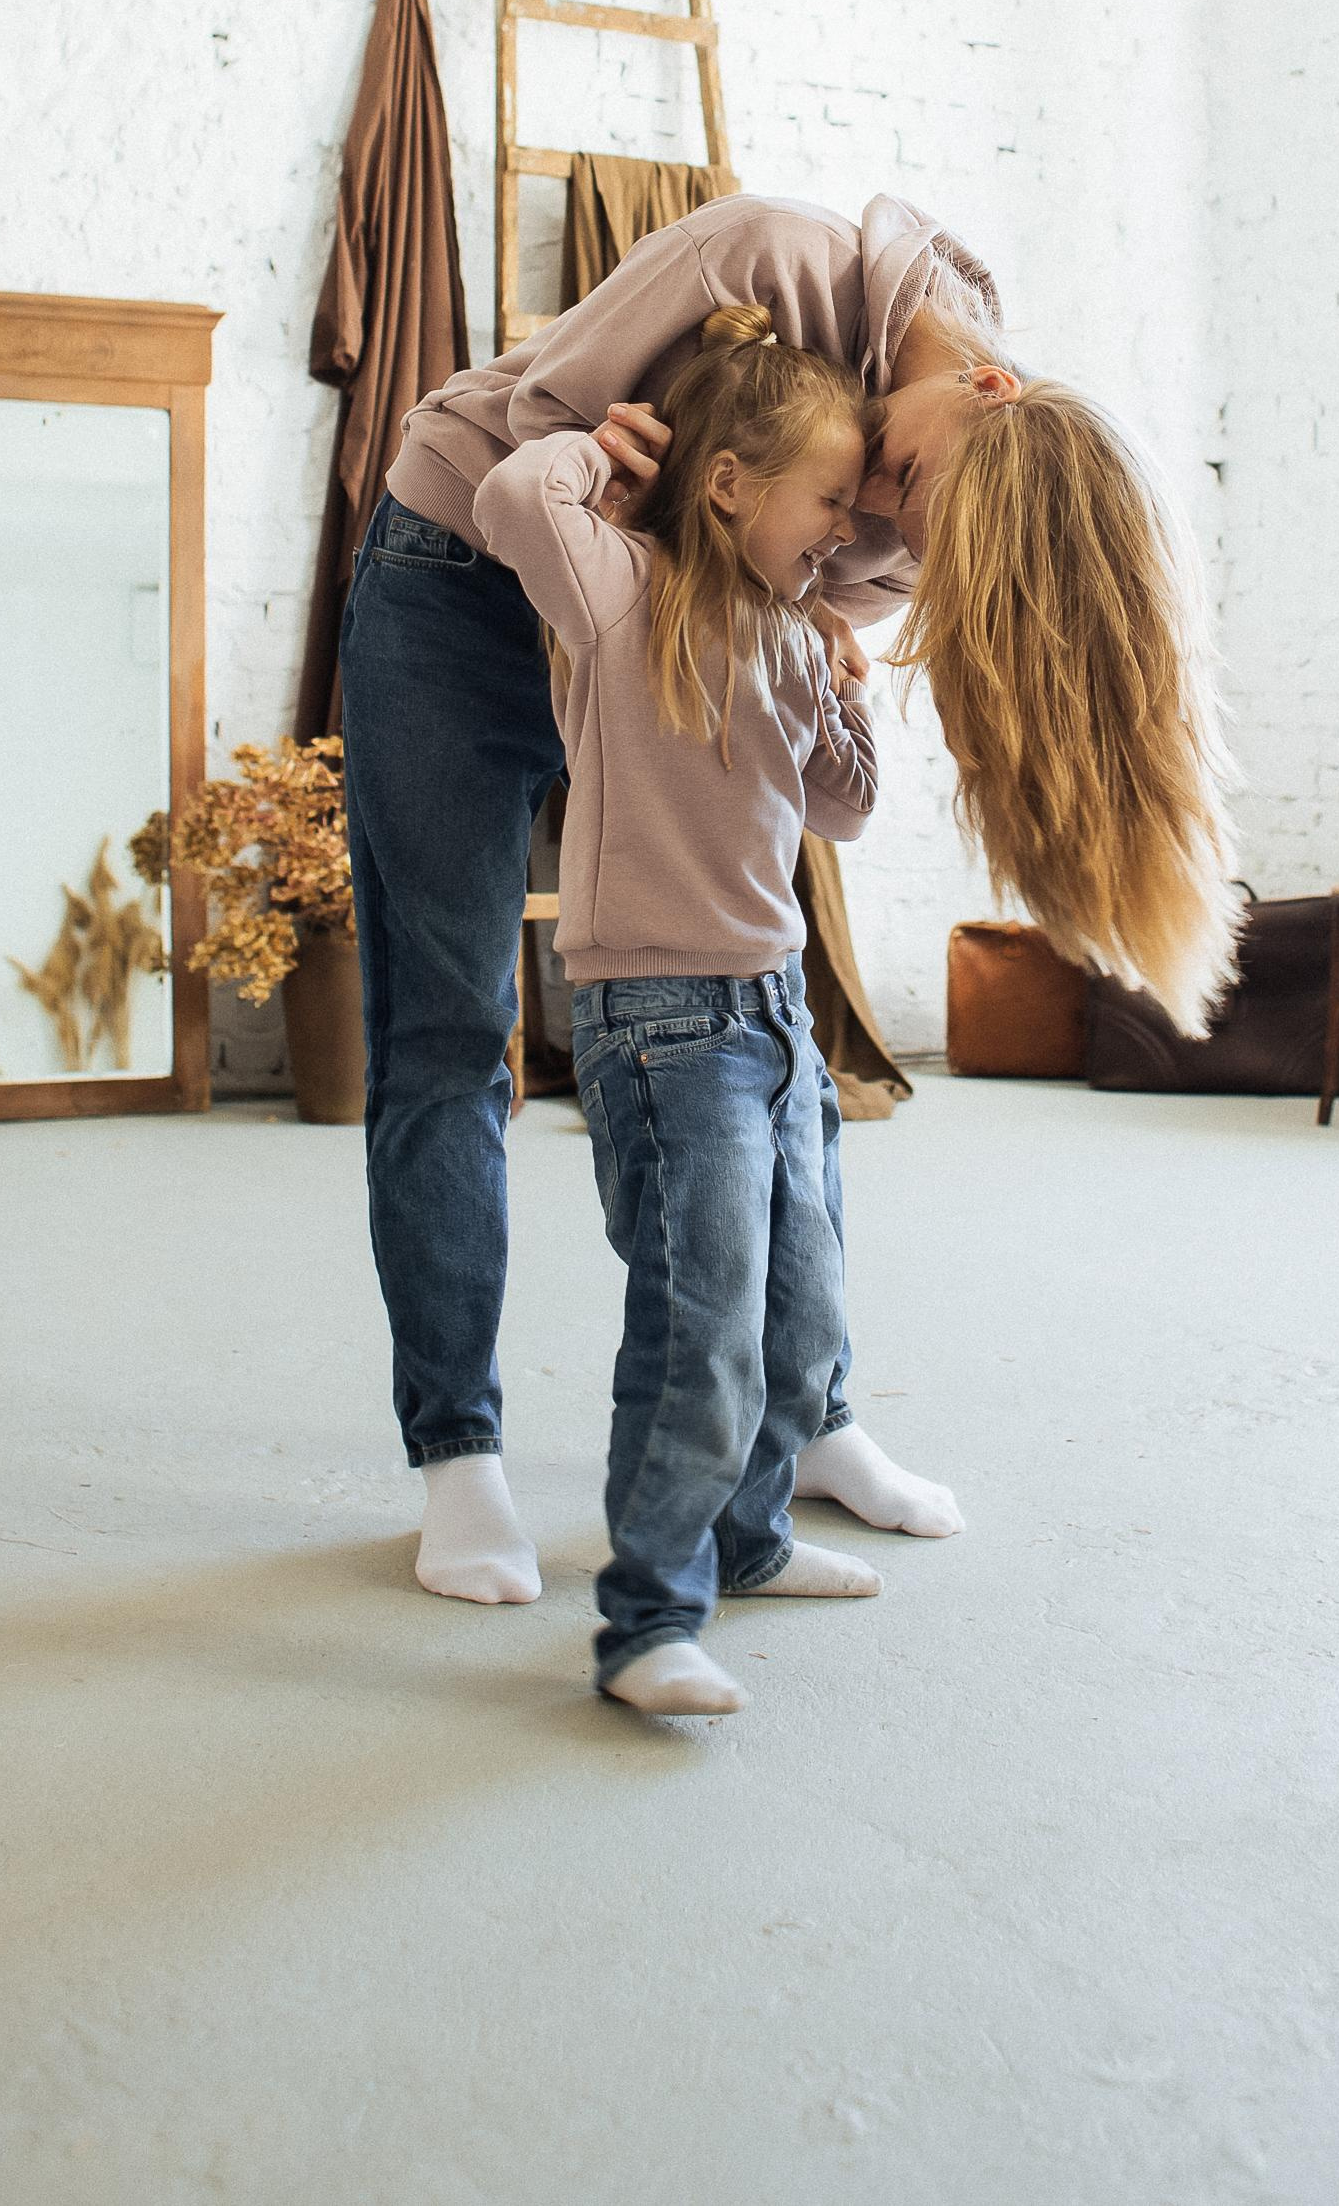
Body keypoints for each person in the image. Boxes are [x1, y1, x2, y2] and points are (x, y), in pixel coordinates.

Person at [340, 191, 1236, 1602]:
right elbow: (539, 426)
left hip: (656, 629)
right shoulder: (769, 259)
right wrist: (591, 459)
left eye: (908, 542)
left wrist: (822, 682)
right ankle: (459, 1456)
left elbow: (792, 635)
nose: (879, 526)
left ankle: (809, 1424)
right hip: (460, 585)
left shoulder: (927, 511)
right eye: (910, 496)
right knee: (450, 1033)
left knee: (781, 1062)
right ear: (982, 388)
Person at [472, 307, 882, 1715]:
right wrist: (604, 448)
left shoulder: (783, 627)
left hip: (775, 1018)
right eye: (827, 497)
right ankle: (649, 1618)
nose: (843, 527)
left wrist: (845, 692)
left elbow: (841, 810)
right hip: (662, 1021)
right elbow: (511, 491)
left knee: (798, 1318)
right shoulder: (621, 592)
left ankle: (753, 1541)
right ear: (728, 485)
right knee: (697, 1325)